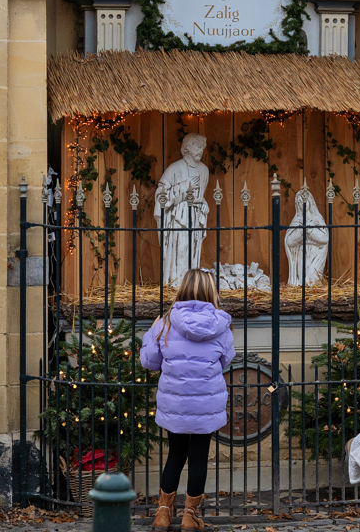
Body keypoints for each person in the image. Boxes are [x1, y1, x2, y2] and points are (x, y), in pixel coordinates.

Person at [140, 269, 236, 530]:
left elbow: (149, 362)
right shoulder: (221, 324)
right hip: (206, 403)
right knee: (199, 457)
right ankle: (190, 517)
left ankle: (162, 513)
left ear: (182, 289)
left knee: (175, 454)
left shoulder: (166, 322)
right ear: (210, 291)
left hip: (176, 403)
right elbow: (226, 360)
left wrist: (151, 333)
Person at [154, 133, 210, 286]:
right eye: (197, 147)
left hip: (196, 216)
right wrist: (184, 187)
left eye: (202, 148)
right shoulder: (175, 168)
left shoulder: (204, 170)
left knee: (193, 251)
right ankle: (175, 283)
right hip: (178, 218)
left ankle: (191, 285)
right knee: (179, 248)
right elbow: (161, 195)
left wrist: (203, 203)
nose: (201, 151)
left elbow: (199, 196)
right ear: (187, 148)